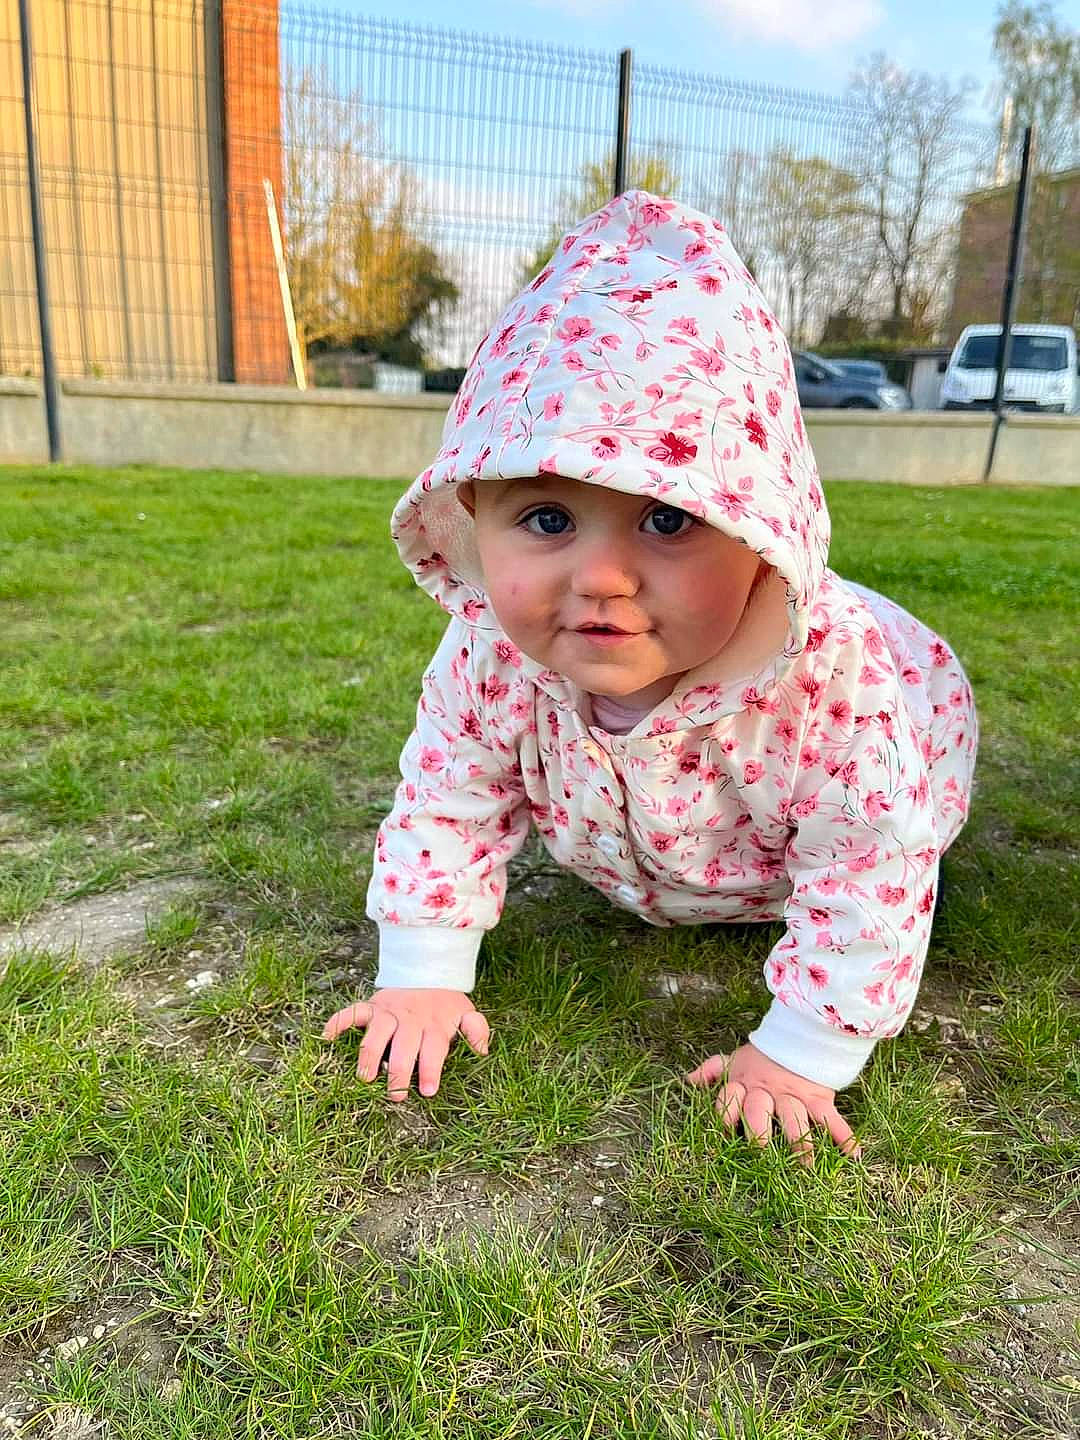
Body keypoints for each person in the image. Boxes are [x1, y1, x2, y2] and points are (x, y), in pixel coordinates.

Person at [323, 191, 977, 1161]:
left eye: (667, 520)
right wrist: (423, 968)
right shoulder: (491, 650)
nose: (599, 578)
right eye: (546, 519)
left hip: (810, 845)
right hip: (639, 867)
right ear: (473, 518)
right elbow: (447, 795)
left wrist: (803, 1052)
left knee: (876, 836)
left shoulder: (837, 685)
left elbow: (867, 863)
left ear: (760, 541)